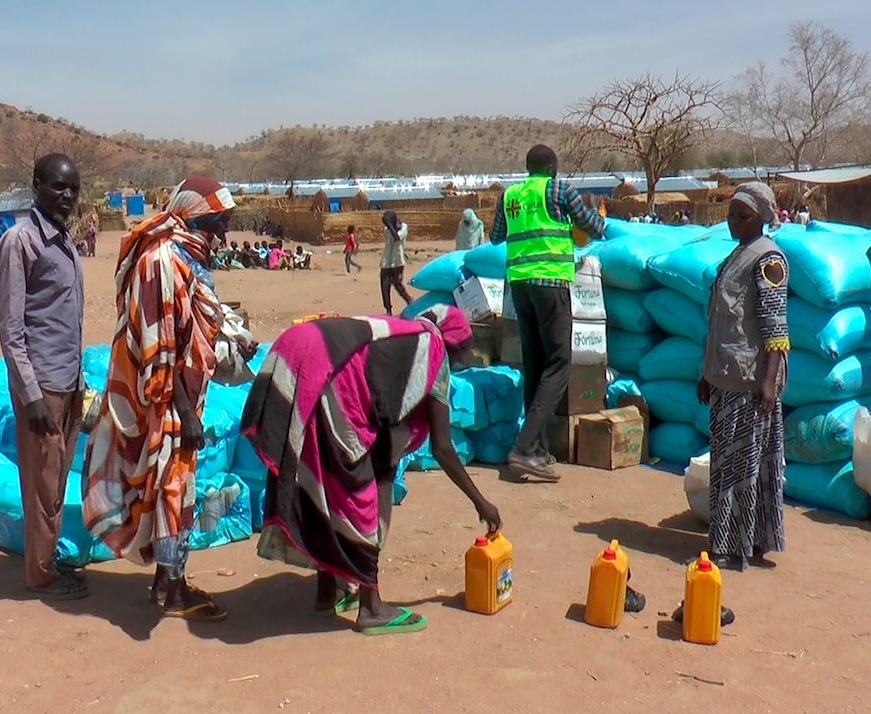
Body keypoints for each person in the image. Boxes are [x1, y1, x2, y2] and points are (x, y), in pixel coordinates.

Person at [240, 305, 502, 635]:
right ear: (455, 344)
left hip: (299, 351)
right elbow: (443, 448)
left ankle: (326, 591)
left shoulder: (402, 338)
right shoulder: (432, 354)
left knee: (324, 480)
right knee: (356, 491)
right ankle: (371, 606)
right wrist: (481, 503)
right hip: (326, 369)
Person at [83, 176, 241, 622]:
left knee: (175, 487)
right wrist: (185, 412)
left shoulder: (184, 258)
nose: (222, 235)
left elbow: (192, 324)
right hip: (164, 400)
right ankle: (171, 591)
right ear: (194, 217)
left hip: (181, 395)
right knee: (171, 488)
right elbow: (160, 344)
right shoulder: (162, 262)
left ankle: (168, 581)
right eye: (217, 223)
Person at [0, 153, 86, 600]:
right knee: (41, 480)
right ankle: (40, 573)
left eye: (73, 189)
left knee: (58, 476)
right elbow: (12, 329)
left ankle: (47, 559)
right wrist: (30, 395)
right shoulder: (21, 242)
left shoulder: (65, 243)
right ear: (36, 186)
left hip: (68, 380)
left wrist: (81, 380)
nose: (66, 196)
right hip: (42, 386)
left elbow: (67, 319)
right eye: (57, 187)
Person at [489, 144, 605, 480]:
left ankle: (537, 449)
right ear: (553, 167)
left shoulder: (511, 195)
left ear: (528, 168)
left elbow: (496, 237)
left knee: (535, 364)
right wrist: (591, 220)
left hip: (520, 285)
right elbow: (592, 227)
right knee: (558, 363)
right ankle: (525, 448)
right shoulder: (560, 189)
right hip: (551, 282)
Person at [698, 182, 788, 571]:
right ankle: (731, 541)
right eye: (731, 213)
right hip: (725, 376)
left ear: (763, 218)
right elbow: (721, 322)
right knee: (726, 465)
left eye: (743, 215)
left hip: (750, 382)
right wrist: (706, 374)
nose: (733, 221)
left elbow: (776, 329)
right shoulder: (737, 256)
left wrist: (768, 382)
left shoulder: (768, 261)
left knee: (745, 466)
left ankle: (739, 546)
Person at [380, 209, 413, 315]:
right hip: (386, 261)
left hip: (398, 261)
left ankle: (409, 300)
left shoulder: (403, 227)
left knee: (397, 284)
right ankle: (388, 309)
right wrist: (389, 226)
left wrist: (391, 227)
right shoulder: (387, 229)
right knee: (384, 286)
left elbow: (397, 238)